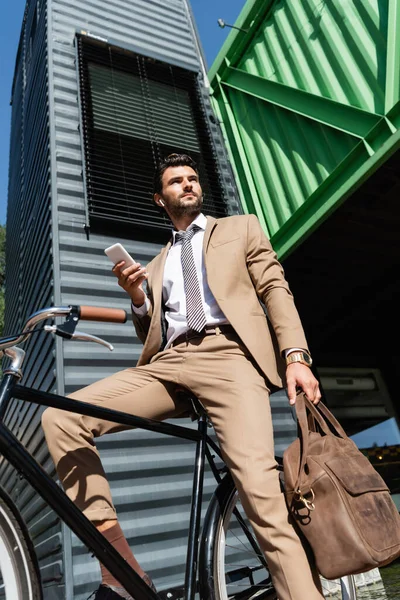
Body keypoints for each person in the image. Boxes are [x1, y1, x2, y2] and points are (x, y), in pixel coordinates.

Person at [42, 153, 323, 600]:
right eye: (177, 181)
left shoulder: (239, 228)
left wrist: (295, 355)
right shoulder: (154, 265)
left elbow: (274, 288)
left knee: (262, 494)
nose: (188, 184)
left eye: (193, 179)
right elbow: (149, 332)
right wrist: (137, 298)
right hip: (168, 364)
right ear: (160, 198)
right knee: (61, 417)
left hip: (230, 356)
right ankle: (121, 571)